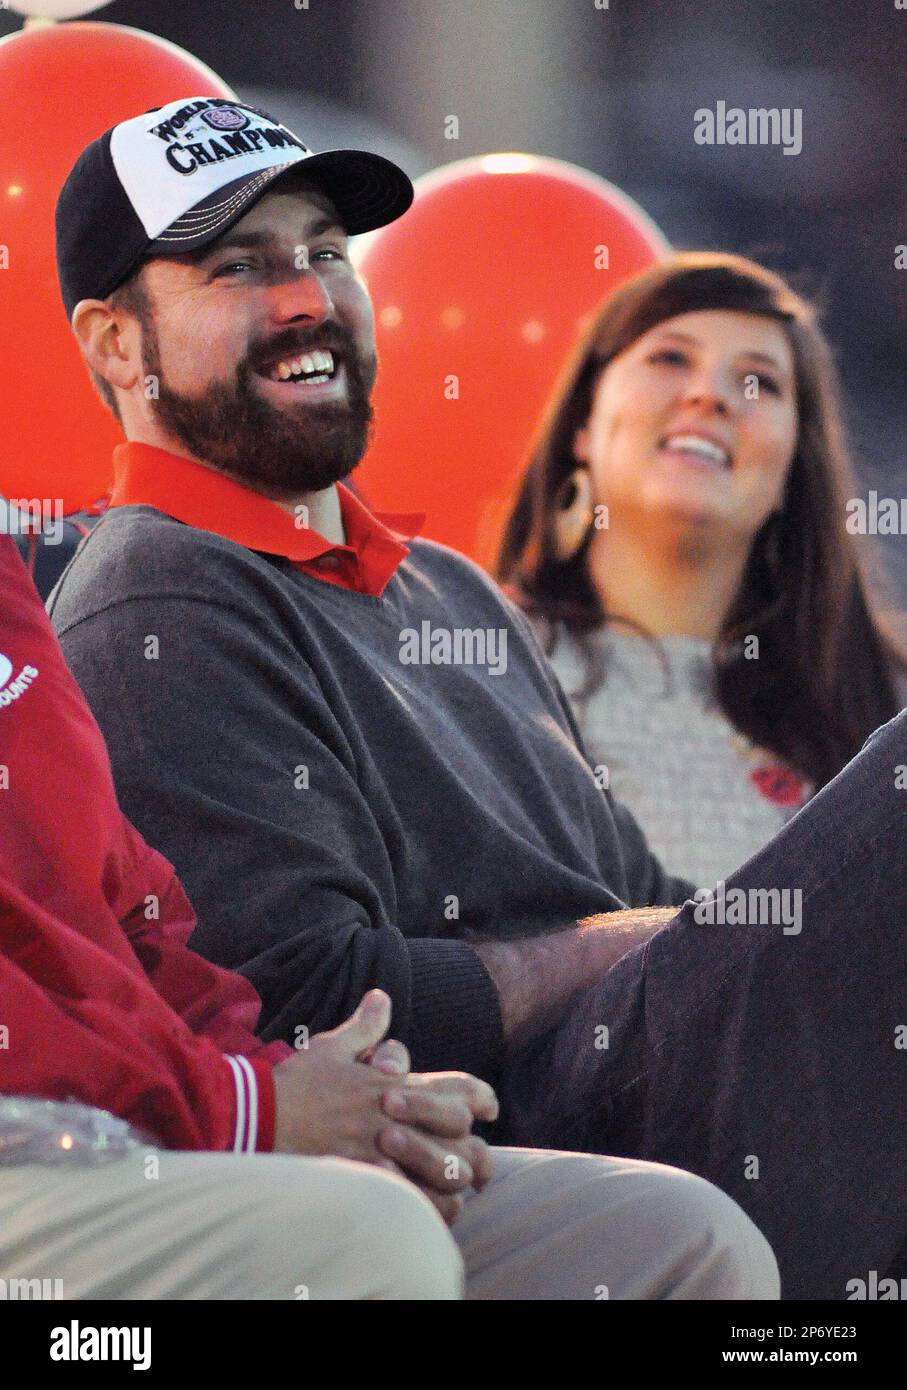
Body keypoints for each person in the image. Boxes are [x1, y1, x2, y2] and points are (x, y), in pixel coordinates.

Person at [48, 96, 906, 1300]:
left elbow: (648, 901)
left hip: (667, 1066)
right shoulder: (156, 601)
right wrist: (636, 948)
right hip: (529, 1133)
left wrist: (715, 939)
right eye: (241, 265)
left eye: (326, 255)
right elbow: (308, 1015)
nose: (306, 297)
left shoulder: (441, 582)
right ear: (116, 346)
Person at [0, 530, 775, 1302]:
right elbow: (312, 986)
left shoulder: (455, 588)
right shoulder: (154, 586)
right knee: (379, 1238)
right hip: (71, 1144)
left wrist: (302, 1087)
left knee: (688, 1239)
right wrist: (251, 1107)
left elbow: (136, 922)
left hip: (173, 1114)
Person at [496, 252, 907, 885]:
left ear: (792, 473)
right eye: (670, 358)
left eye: (759, 382)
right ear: (584, 421)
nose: (709, 395)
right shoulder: (481, 667)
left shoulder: (884, 706)